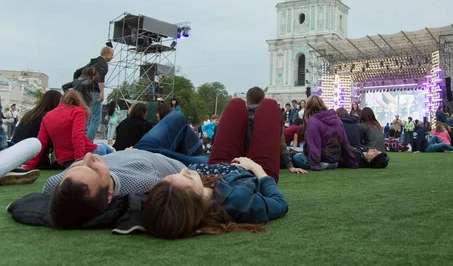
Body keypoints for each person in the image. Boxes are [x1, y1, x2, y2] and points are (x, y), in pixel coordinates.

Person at [142, 97, 288, 239]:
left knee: (235, 105)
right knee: (269, 106)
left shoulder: (169, 199)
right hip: (254, 171)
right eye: (186, 177)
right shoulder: (240, 203)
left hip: (218, 165)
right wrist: (254, 166)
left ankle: (249, 122)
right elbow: (279, 203)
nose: (184, 170)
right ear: (194, 203)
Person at [42, 111, 209, 229]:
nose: (88, 157)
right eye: (95, 170)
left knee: (177, 118)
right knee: (211, 158)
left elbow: (48, 199)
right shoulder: (142, 186)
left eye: (78, 165)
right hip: (178, 163)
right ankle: (198, 150)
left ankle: (195, 147)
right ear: (109, 194)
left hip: (141, 148)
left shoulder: (60, 186)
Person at [23, 91, 113, 170]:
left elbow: (41, 142)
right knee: (105, 148)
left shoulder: (47, 116)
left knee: (103, 147)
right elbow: (77, 136)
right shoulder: (78, 111)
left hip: (66, 161)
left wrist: (29, 165)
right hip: (85, 154)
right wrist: (80, 161)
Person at [245, 87, 305, 175]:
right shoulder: (271, 117)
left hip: (246, 161)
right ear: (263, 100)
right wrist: (290, 166)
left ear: (247, 101)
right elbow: (282, 142)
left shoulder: (242, 116)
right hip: (269, 162)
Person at [292, 96, 357, 171]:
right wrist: (352, 163)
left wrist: (316, 166)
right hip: (335, 162)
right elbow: (345, 143)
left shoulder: (313, 122)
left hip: (322, 162)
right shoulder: (337, 119)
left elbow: (314, 146)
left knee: (296, 157)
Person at [84, 46, 114, 142]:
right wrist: (102, 93)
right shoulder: (103, 64)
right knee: (96, 119)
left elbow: (78, 72)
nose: (112, 57)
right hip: (95, 91)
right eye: (111, 54)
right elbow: (101, 78)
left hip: (86, 91)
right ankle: (89, 142)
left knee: (87, 118)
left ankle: (84, 139)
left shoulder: (93, 62)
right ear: (106, 54)